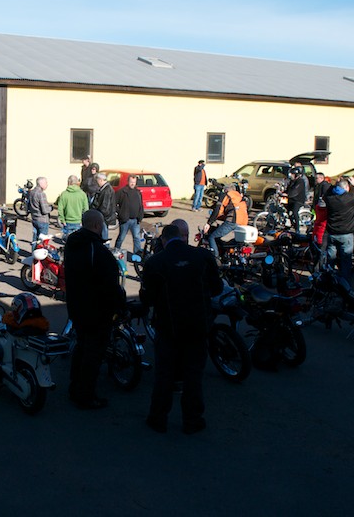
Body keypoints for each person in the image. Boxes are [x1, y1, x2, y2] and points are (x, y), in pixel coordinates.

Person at [140, 223, 223, 434]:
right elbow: (217, 287)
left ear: (163, 240)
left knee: (165, 374)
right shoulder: (202, 256)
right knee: (193, 375)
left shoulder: (155, 262)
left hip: (169, 327)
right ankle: (193, 420)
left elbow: (147, 298)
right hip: (197, 325)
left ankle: (158, 418)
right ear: (182, 236)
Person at [65, 210, 125, 409]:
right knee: (93, 354)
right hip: (96, 312)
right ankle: (86, 395)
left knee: (82, 347)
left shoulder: (73, 243)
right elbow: (110, 286)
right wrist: (119, 306)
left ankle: (75, 387)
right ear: (98, 226)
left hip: (77, 307)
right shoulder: (98, 251)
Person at [323, 177, 354, 277]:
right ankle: (344, 280)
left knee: (330, 258)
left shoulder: (330, 198)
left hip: (332, 232)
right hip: (346, 233)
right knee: (346, 259)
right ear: (347, 188)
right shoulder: (350, 198)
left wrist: (334, 185)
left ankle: (328, 278)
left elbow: (326, 193)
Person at [203, 182, 247, 258]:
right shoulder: (238, 196)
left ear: (226, 190)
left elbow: (218, 210)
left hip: (232, 221)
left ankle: (215, 258)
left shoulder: (226, 195)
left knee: (212, 237)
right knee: (236, 242)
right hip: (243, 222)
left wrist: (209, 223)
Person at [114, 175, 144, 255]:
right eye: (131, 182)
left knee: (137, 238)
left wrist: (140, 216)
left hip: (135, 220)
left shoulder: (138, 192)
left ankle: (137, 254)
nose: (132, 184)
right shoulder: (122, 192)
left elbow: (141, 205)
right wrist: (120, 213)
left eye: (134, 182)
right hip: (125, 220)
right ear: (128, 181)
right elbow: (113, 203)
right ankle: (116, 252)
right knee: (121, 237)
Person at [90, 172, 116, 240]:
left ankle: (104, 246)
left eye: (97, 180)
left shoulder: (106, 190)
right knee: (102, 235)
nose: (97, 182)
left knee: (103, 236)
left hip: (104, 217)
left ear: (100, 180)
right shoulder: (104, 189)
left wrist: (99, 215)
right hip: (104, 217)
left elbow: (105, 207)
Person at [28, 176, 52, 243]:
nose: (47, 184)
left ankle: (34, 250)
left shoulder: (31, 192)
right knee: (42, 241)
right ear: (41, 184)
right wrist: (51, 208)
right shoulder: (41, 194)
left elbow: (28, 206)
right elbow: (45, 210)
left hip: (34, 218)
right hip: (42, 220)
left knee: (35, 240)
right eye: (46, 183)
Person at [285, 167, 308, 232]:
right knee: (287, 211)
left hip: (298, 200)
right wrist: (283, 192)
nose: (291, 175)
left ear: (296, 175)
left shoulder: (300, 181)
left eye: (292, 174)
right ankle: (290, 224)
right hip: (292, 199)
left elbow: (295, 191)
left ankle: (297, 229)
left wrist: (288, 195)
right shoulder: (292, 181)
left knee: (294, 212)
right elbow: (288, 189)